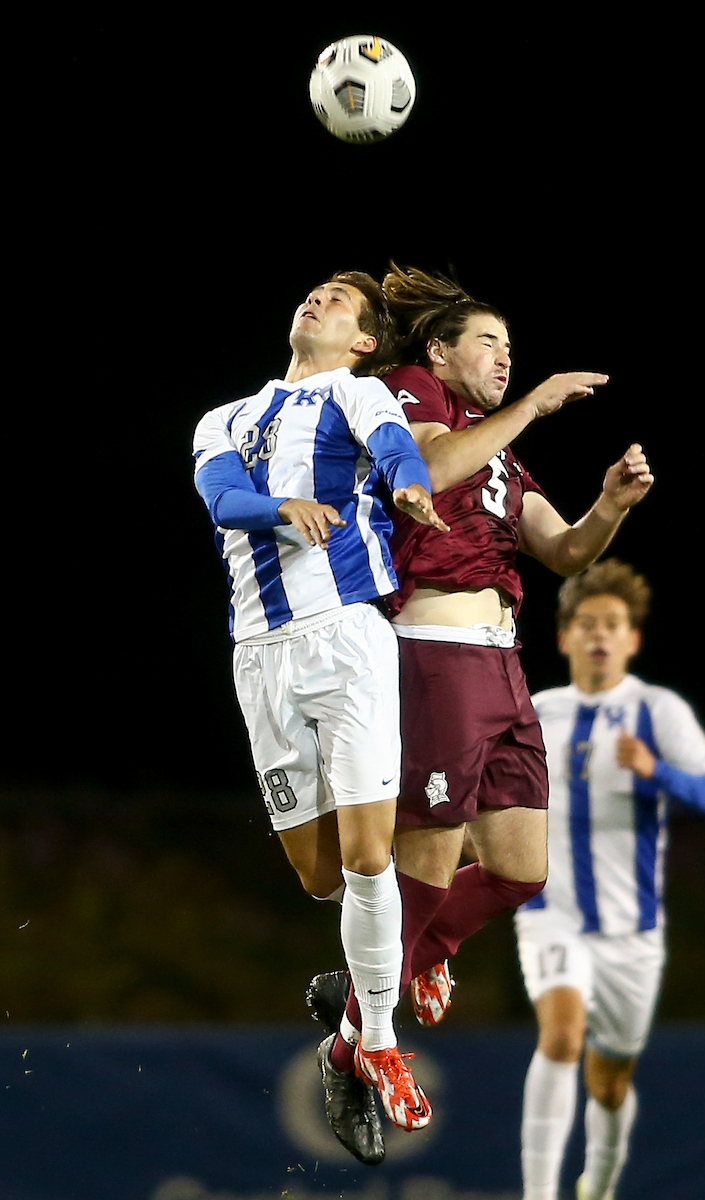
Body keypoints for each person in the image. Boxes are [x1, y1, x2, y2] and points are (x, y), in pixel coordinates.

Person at [308, 265, 654, 1088]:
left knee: (519, 870)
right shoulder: (409, 391)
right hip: (435, 655)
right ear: (439, 348)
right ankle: (357, 1042)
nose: (505, 359)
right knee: (424, 873)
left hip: (502, 667)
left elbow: (565, 551)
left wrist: (610, 506)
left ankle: (368, 984)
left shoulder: (499, 451)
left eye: (511, 347)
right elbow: (427, 469)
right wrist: (529, 403)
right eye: (489, 343)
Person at [192, 272, 449, 1167]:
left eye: (338, 302)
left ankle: (374, 1038)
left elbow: (396, 448)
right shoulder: (222, 417)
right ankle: (405, 936)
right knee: (319, 875)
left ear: (363, 341)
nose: (315, 301)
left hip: (346, 639)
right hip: (259, 658)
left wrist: (410, 486)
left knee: (369, 855)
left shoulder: (355, 391)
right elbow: (224, 501)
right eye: (311, 293)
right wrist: (280, 508)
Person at [514, 559, 705, 1200]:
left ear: (633, 639)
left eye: (613, 625)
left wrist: (656, 772)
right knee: (560, 1036)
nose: (599, 636)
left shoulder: (657, 711)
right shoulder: (534, 713)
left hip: (633, 931)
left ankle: (600, 1184)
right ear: (564, 637)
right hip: (551, 912)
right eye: (587, 624)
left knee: (609, 1082)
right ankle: (538, 1193)